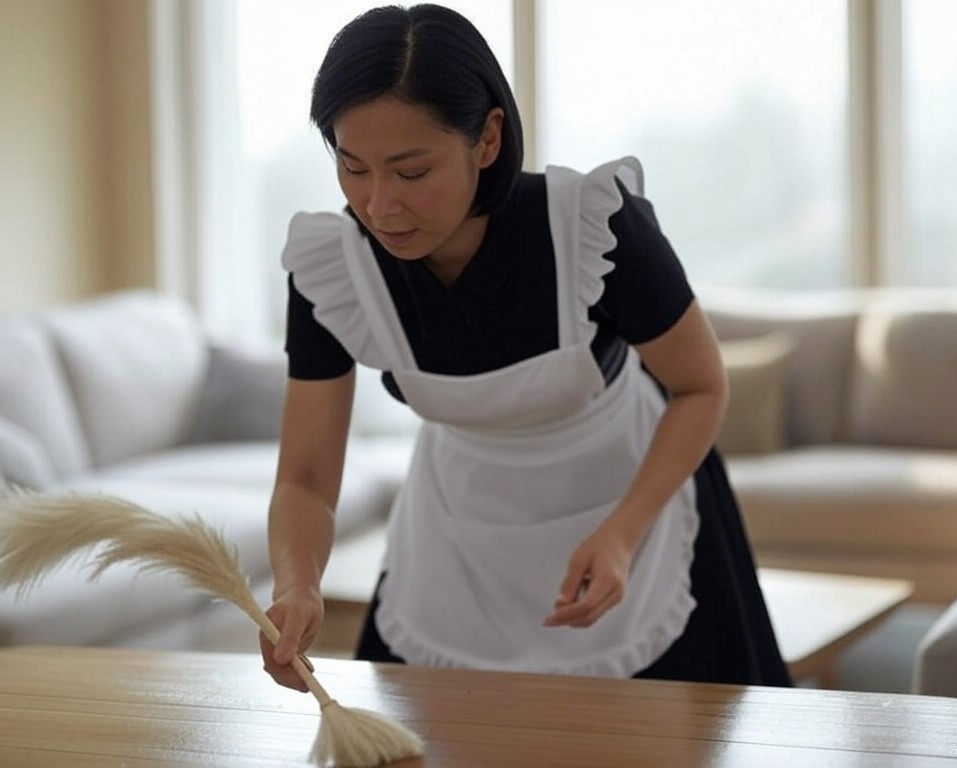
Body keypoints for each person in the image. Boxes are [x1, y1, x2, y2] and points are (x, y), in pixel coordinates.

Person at [261, 3, 790, 690]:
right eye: (353, 168)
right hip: (457, 538)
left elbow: (700, 386)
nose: (379, 206)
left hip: (634, 509)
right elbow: (305, 476)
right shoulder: (334, 269)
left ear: (487, 138)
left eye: (411, 173)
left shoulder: (591, 227)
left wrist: (622, 534)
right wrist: (298, 584)